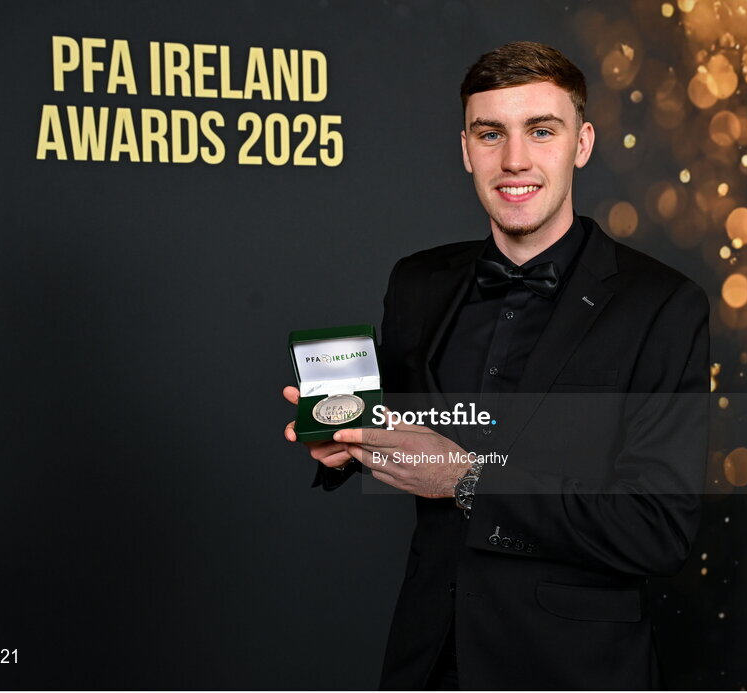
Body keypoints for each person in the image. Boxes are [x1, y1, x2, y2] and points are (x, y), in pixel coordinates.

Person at [283, 41, 708, 690]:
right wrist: (347, 440)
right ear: (465, 148)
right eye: (491, 133)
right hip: (427, 660)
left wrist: (468, 479)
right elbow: (408, 429)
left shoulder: (664, 306)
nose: (514, 160)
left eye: (541, 131)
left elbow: (657, 528)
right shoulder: (417, 283)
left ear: (582, 143)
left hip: (572, 669)